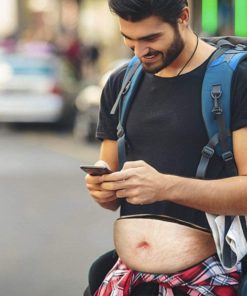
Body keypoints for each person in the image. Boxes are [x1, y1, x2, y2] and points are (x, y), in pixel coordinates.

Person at [85, 0, 247, 295]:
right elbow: (110, 194)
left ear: (183, 17)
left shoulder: (237, 79)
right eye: (129, 40)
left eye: (151, 38)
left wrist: (165, 187)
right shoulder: (120, 83)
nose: (139, 51)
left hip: (212, 277)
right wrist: (103, 190)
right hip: (128, 278)